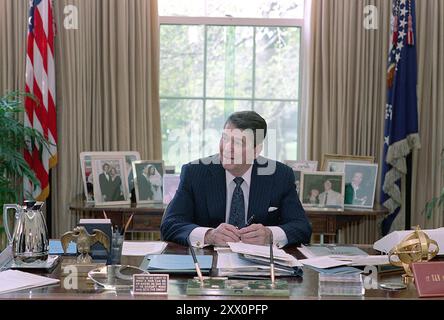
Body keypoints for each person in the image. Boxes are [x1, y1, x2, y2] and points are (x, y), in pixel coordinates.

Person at [161, 111, 312, 248]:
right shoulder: (195, 173)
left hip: (261, 269)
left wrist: (270, 235)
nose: (227, 148)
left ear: (256, 151)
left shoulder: (280, 175)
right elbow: (170, 224)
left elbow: (302, 227)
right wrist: (209, 235)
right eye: (225, 138)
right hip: (207, 266)